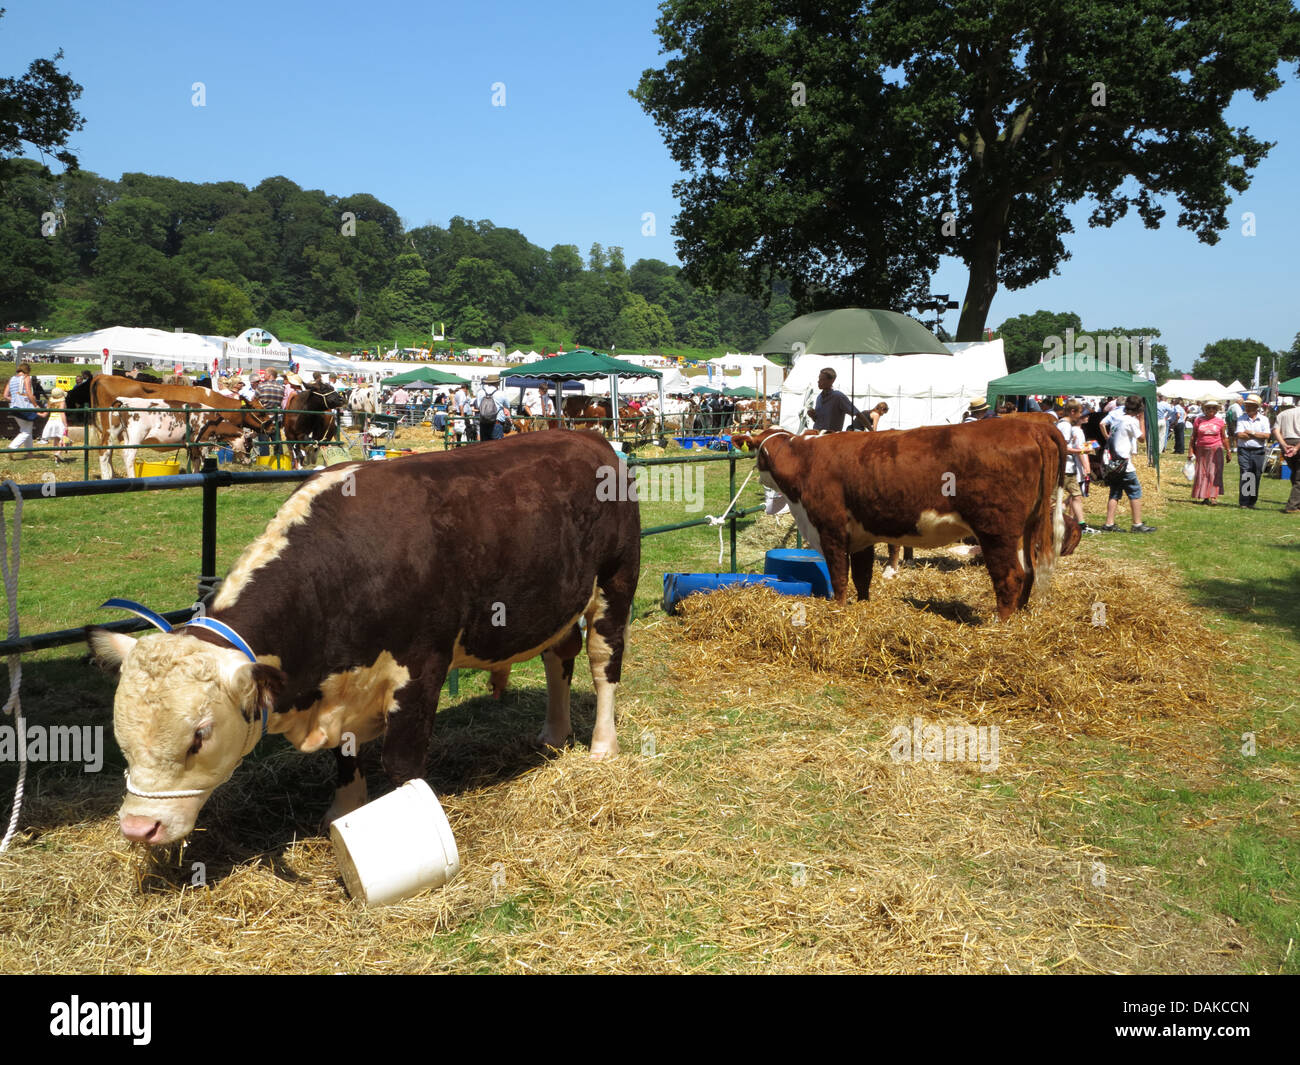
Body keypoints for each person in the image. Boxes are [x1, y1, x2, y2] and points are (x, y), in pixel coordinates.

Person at [1102, 396, 1157, 533]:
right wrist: (1142, 420)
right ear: (1139, 409)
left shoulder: (1117, 418)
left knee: (1114, 492)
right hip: (1125, 464)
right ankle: (1137, 524)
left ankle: (1109, 523)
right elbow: (1142, 438)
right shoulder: (1131, 421)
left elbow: (1103, 425)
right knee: (1135, 492)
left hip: (1114, 461)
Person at [1057, 401, 1097, 534]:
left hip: (1070, 468)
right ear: (1073, 412)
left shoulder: (1068, 426)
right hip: (1065, 468)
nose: (1084, 416)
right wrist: (1082, 453)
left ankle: (1080, 525)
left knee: (1076, 496)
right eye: (1081, 413)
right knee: (1058, 498)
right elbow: (1063, 448)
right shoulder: (1066, 427)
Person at [1189, 399, 1230, 505]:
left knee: (1214, 473)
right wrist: (1190, 451)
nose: (1210, 410)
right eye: (1208, 408)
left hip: (1216, 449)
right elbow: (1193, 437)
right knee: (1202, 473)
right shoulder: (1199, 420)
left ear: (1216, 410)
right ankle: (1204, 496)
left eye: (1213, 408)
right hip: (1201, 450)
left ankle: (1213, 497)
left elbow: (1224, 438)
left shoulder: (1220, 422)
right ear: (1204, 409)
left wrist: (1228, 451)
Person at [1234, 393, 1270, 509]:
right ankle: (1244, 502)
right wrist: (1257, 436)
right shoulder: (1241, 418)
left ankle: (1252, 502)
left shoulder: (1264, 419)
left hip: (1258, 451)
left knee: (1256, 475)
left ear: (1256, 407)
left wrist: (1251, 433)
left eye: (1250, 406)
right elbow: (1240, 434)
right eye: (1246, 405)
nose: (1247, 408)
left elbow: (1267, 435)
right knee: (1246, 474)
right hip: (1244, 450)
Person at [4, 362, 39, 456]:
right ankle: (12, 447)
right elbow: (28, 392)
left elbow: (5, 395)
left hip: (14, 407)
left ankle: (30, 453)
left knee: (27, 429)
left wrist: (15, 399)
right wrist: (35, 405)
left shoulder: (11, 379)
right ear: (27, 370)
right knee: (26, 431)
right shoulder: (26, 377)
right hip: (25, 407)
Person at [1273, 401, 1300, 513]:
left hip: (1286, 442)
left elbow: (1275, 430)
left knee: (1295, 473)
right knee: (1299, 477)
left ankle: (1297, 502)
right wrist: (1297, 448)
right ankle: (1292, 506)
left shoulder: (1282, 414)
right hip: (1298, 442)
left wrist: (1283, 444)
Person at [41, 387, 72, 462]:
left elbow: (45, 414)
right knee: (64, 439)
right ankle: (58, 452)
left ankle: (56, 459)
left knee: (56, 440)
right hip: (59, 421)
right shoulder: (62, 402)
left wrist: (36, 412)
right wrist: (66, 425)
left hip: (51, 421)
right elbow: (62, 413)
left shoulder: (50, 402)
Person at [476, 377, 505, 441]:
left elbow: (478, 406)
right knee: (497, 445)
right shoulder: (501, 393)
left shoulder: (480, 392)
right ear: (497, 383)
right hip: (496, 422)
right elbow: (507, 405)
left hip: (483, 422)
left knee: (484, 445)